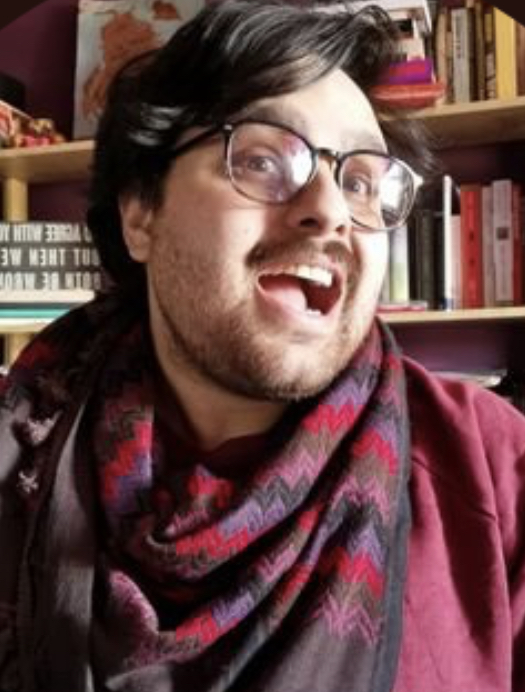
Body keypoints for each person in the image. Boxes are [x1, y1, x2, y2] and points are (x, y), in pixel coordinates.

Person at [0, 1, 524, 690]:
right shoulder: (18, 452)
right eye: (261, 159)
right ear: (141, 215)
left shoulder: (495, 469)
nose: (330, 211)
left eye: (360, 182)